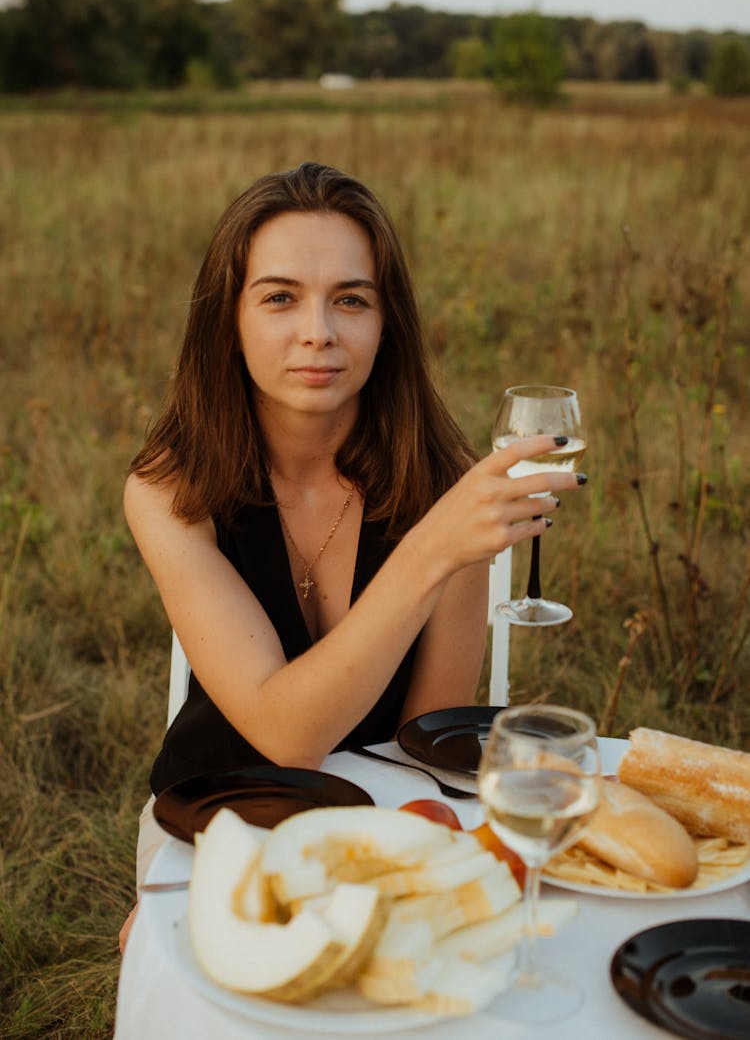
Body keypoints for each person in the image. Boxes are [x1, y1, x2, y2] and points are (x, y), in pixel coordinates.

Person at [118, 161, 584, 952]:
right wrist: (433, 548)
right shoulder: (168, 490)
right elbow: (285, 733)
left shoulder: (442, 481)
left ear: (386, 321)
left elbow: (428, 747)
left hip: (382, 823)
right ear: (226, 318)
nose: (318, 333)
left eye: (351, 300)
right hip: (210, 818)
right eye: (279, 297)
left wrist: (373, 875)